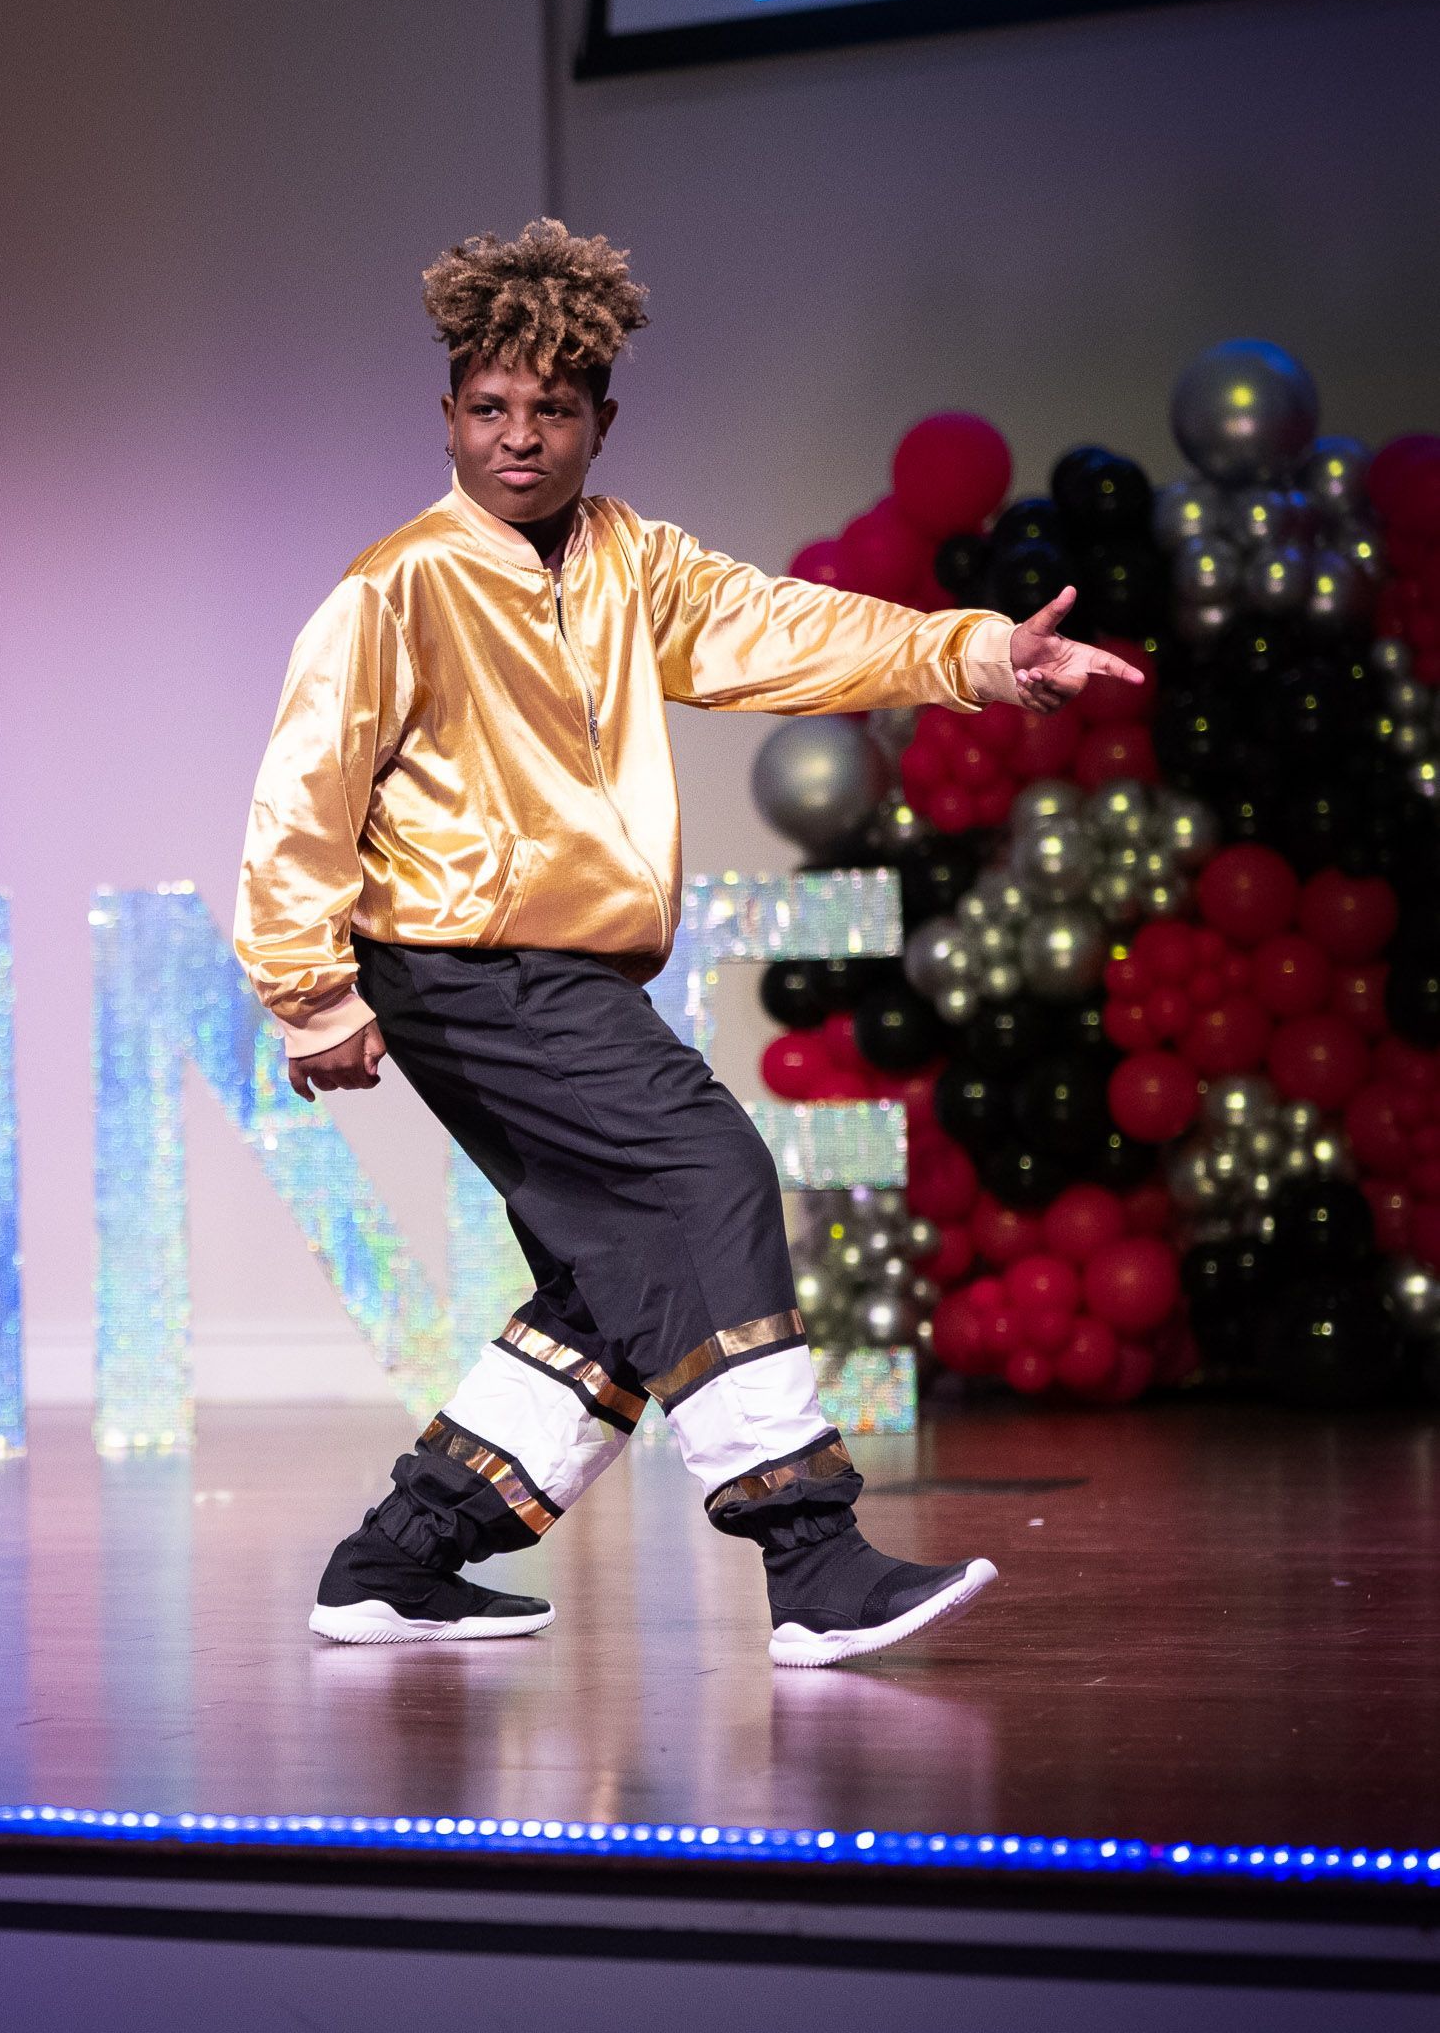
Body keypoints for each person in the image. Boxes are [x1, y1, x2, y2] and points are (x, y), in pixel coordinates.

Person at [232, 216, 1142, 1667]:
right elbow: (302, 796)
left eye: (551, 410)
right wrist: (310, 993)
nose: (516, 439)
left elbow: (786, 630)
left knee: (615, 1281)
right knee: (705, 1170)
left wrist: (976, 651)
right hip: (461, 958)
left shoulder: (628, 562)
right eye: (487, 409)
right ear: (447, 415)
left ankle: (399, 1560)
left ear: (602, 421)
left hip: (562, 969)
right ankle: (811, 1554)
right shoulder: (392, 589)